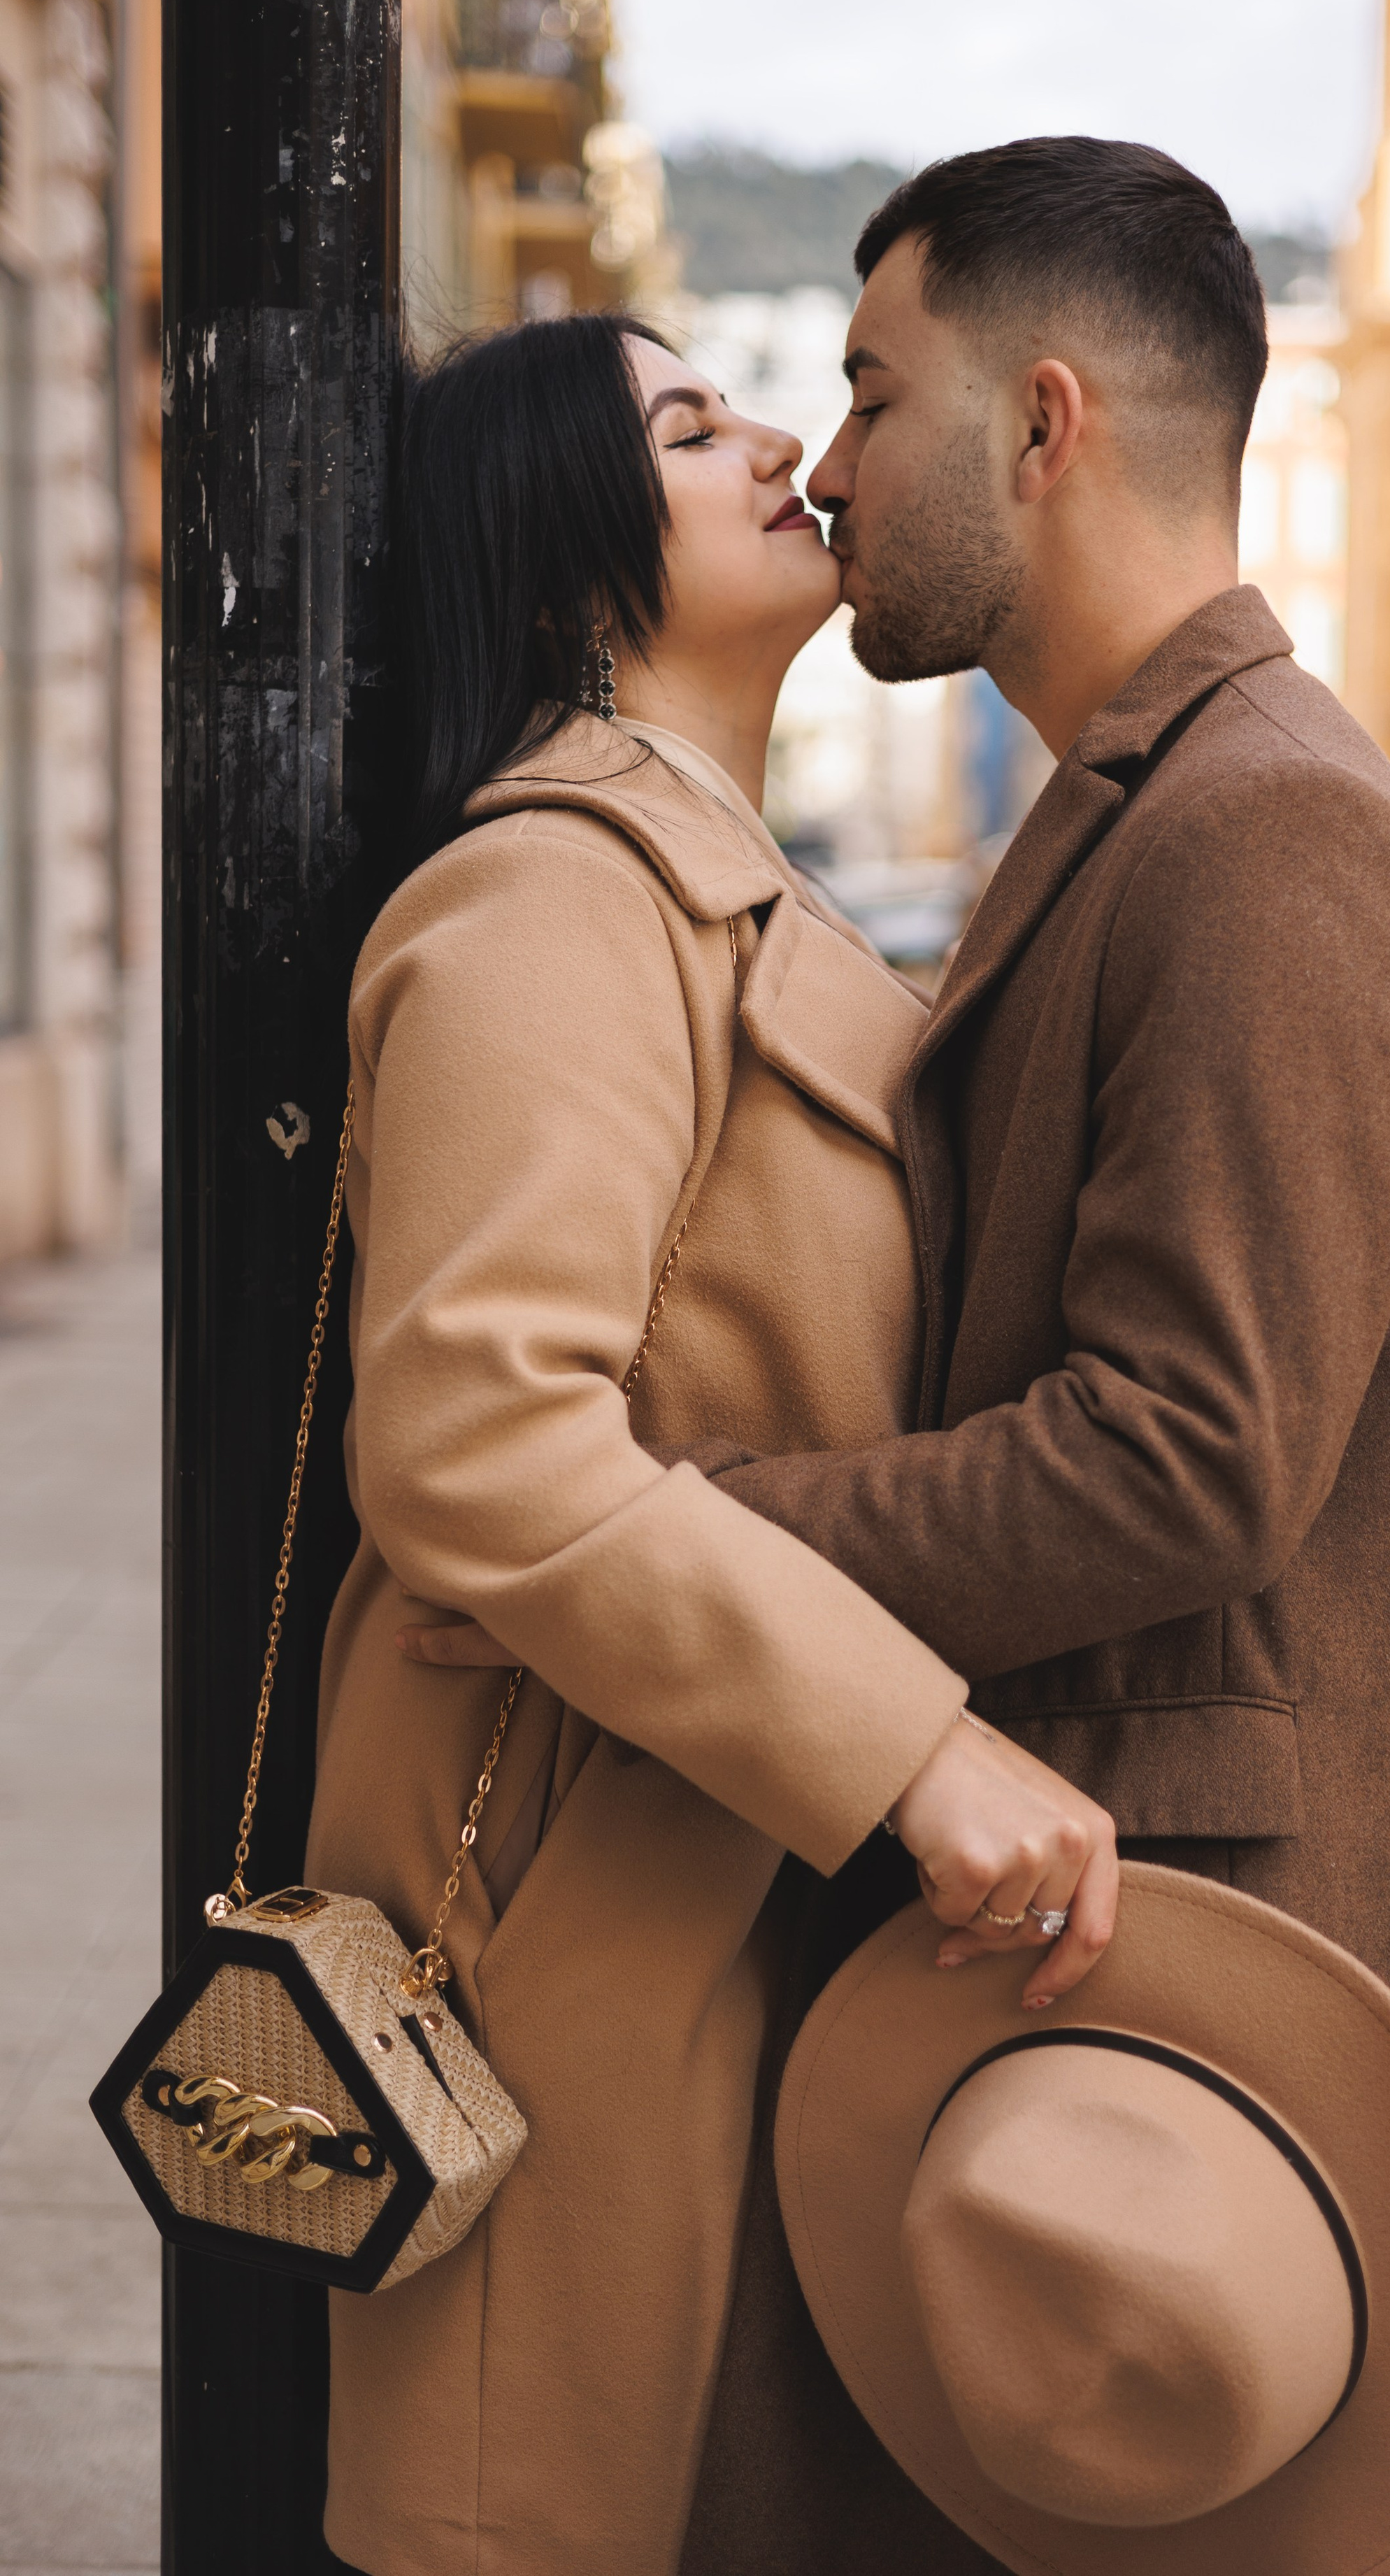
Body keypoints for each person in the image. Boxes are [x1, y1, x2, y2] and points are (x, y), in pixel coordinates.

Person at [410, 136, 1390, 2576]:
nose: (825, 461)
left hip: (1216, 1971)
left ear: (1040, 428)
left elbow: (1188, 1457)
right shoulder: (1130, 814)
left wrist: (696, 1527)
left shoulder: (1259, 829)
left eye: (861, 390)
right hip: (1074, 1955)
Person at [303, 308, 1120, 2576]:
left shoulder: (719, 891)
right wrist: (915, 1747)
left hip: (734, 1861)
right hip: (589, 1876)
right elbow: (474, 1438)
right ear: (570, 575)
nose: (782, 438)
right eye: (690, 425)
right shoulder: (554, 896)